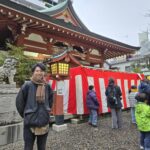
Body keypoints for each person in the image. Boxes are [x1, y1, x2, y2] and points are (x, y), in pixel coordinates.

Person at [16, 63, 53, 150]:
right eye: (37, 70)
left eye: (41, 71)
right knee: (28, 147)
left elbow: (50, 102)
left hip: (43, 122)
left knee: (42, 147)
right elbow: (19, 103)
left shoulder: (47, 86)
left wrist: (46, 111)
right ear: (33, 72)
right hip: (30, 123)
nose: (39, 72)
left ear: (44, 73)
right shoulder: (27, 85)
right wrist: (26, 114)